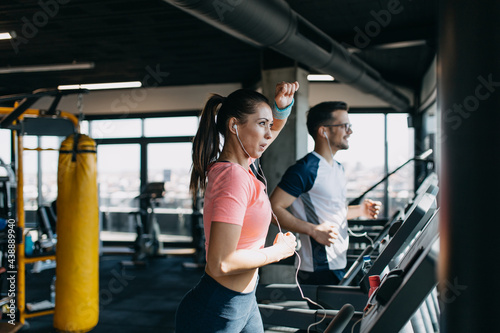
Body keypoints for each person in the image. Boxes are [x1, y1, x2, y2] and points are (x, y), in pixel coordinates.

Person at [175, 81, 299, 333]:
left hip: (245, 301)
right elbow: (220, 262)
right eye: (262, 123)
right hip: (217, 310)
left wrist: (281, 110)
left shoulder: (245, 166)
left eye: (269, 124)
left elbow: (271, 133)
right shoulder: (233, 177)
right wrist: (278, 252)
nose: (269, 132)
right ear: (234, 126)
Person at [269, 101, 381, 286]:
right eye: (344, 126)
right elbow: (273, 209)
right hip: (318, 267)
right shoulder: (305, 169)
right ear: (324, 131)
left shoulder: (338, 168)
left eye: (349, 126)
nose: (350, 131)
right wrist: (312, 230)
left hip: (339, 261)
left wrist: (361, 210)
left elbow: (332, 211)